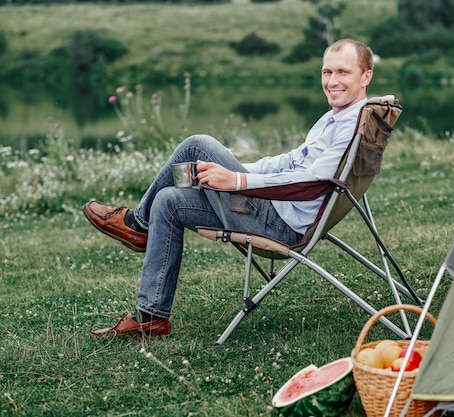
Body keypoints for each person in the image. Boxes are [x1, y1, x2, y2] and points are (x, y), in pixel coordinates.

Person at [84, 38, 374, 338]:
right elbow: (289, 161)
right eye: (327, 72)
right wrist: (238, 170)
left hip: (280, 224)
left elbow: (310, 184)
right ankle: (152, 317)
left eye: (343, 72)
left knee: (197, 144)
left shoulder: (350, 126)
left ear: (366, 76)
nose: (332, 81)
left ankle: (136, 225)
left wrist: (238, 181)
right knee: (168, 200)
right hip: (273, 210)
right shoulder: (337, 117)